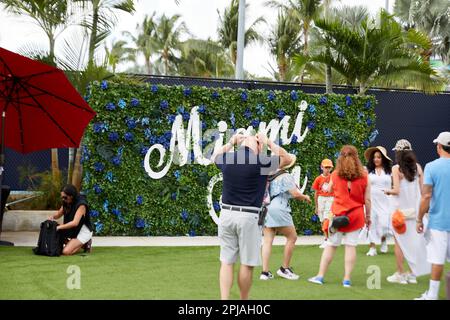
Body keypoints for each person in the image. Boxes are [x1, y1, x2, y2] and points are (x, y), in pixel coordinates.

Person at [213, 132, 292, 300]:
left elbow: (215, 156)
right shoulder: (261, 162)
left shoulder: (229, 159)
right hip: (249, 217)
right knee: (247, 264)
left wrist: (230, 142)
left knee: (226, 262)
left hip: (226, 214)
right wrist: (269, 142)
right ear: (257, 146)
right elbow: (287, 159)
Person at [308, 145, 371, 288]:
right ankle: (347, 279)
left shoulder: (335, 175)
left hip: (338, 215)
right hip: (356, 216)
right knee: (351, 246)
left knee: (331, 245)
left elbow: (329, 189)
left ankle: (320, 276)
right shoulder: (364, 176)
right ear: (356, 157)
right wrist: (368, 217)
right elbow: (367, 200)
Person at [384, 139, 430, 284]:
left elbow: (396, 190)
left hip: (400, 213)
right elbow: (423, 192)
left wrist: (387, 191)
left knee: (400, 243)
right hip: (415, 212)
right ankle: (412, 274)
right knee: (414, 243)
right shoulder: (418, 167)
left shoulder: (396, 169)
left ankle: (400, 273)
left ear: (398, 152)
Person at [260, 157, 311, 281]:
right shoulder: (285, 176)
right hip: (280, 208)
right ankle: (284, 269)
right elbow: (295, 194)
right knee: (292, 237)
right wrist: (306, 197)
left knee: (267, 241)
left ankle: (265, 272)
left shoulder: (268, 175)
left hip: (266, 209)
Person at [415, 132, 450, 300]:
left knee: (437, 259)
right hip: (440, 221)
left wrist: (419, 219)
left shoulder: (432, 166)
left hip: (439, 222)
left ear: (439, 147)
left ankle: (432, 295)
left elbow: (426, 196)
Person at [364, 146, 393, 256]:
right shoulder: (368, 172)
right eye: (374, 157)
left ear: (383, 159)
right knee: (371, 224)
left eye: (379, 157)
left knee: (384, 224)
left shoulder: (390, 171)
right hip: (371, 201)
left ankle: (383, 240)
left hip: (386, 201)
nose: (376, 159)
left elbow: (394, 186)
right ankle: (372, 248)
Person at [48, 184, 93, 256]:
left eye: (65, 197)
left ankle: (85, 243)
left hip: (83, 231)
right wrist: (52, 217)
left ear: (71, 196)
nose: (63, 199)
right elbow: (59, 214)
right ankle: (81, 244)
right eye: (62, 197)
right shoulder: (66, 201)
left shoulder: (81, 205)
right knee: (58, 234)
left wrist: (59, 227)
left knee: (66, 252)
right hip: (73, 229)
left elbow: (75, 223)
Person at [312, 159, 334, 249]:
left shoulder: (333, 177)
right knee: (322, 219)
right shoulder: (318, 179)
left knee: (327, 218)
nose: (327, 169)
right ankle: (327, 238)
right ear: (321, 167)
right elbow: (316, 193)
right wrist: (316, 206)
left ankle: (327, 239)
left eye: (329, 167)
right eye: (326, 167)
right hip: (321, 199)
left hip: (330, 198)